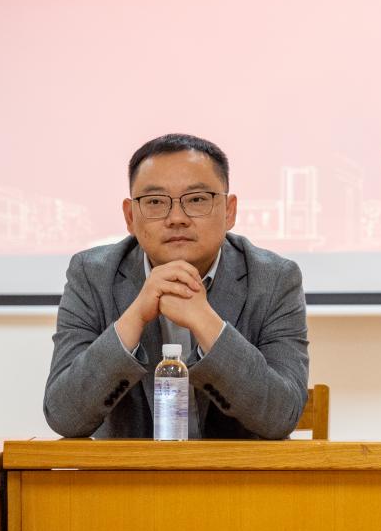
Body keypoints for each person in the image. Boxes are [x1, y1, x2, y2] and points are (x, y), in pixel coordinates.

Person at [44, 134, 309, 439]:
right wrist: (134, 318)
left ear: (229, 210)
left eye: (196, 199)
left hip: (235, 470)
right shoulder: (92, 275)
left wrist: (206, 322)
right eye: (156, 202)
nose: (177, 218)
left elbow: (281, 416)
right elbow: (64, 416)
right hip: (131, 471)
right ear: (130, 216)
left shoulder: (275, 279)